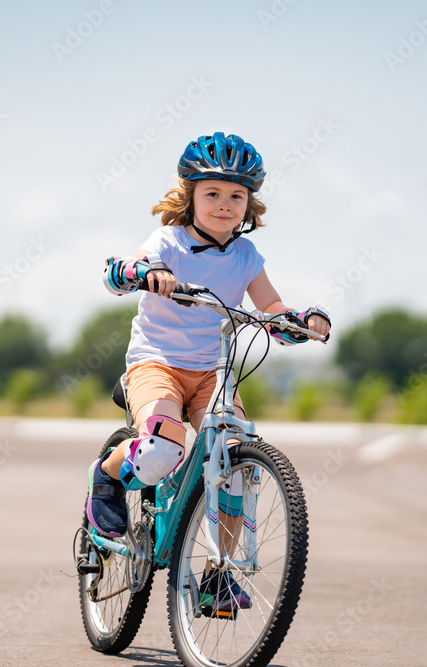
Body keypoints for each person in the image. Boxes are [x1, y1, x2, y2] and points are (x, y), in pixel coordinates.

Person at [87, 132, 331, 612]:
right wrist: (141, 273)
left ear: (249, 204)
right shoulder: (168, 241)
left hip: (211, 372)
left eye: (236, 195)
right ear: (190, 196)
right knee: (160, 449)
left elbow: (271, 308)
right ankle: (109, 475)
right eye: (213, 193)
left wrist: (298, 322)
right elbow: (125, 269)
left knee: (236, 466)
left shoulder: (246, 257)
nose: (225, 204)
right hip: (157, 363)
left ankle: (218, 573)